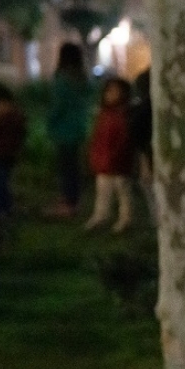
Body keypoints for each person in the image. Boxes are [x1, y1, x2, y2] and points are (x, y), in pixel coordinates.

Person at [44, 42, 91, 219]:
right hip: (78, 128)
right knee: (73, 167)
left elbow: (58, 106)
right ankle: (73, 200)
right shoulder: (83, 78)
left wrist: (50, 122)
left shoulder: (62, 79)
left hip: (63, 130)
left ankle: (68, 203)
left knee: (66, 168)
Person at [84, 77, 134, 234]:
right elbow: (98, 138)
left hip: (119, 161)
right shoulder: (104, 115)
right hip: (104, 161)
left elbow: (124, 140)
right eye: (109, 91)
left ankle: (126, 219)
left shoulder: (124, 116)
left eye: (115, 92)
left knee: (122, 190)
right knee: (103, 190)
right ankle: (100, 216)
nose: (111, 95)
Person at [0, 84, 27, 217]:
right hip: (6, 154)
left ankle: (4, 209)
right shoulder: (15, 113)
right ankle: (5, 208)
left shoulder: (8, 115)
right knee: (0, 182)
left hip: (2, 155)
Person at [128, 67, 157, 225]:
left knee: (150, 185)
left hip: (148, 153)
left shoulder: (142, 110)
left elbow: (137, 135)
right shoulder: (153, 107)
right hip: (150, 152)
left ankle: (157, 219)